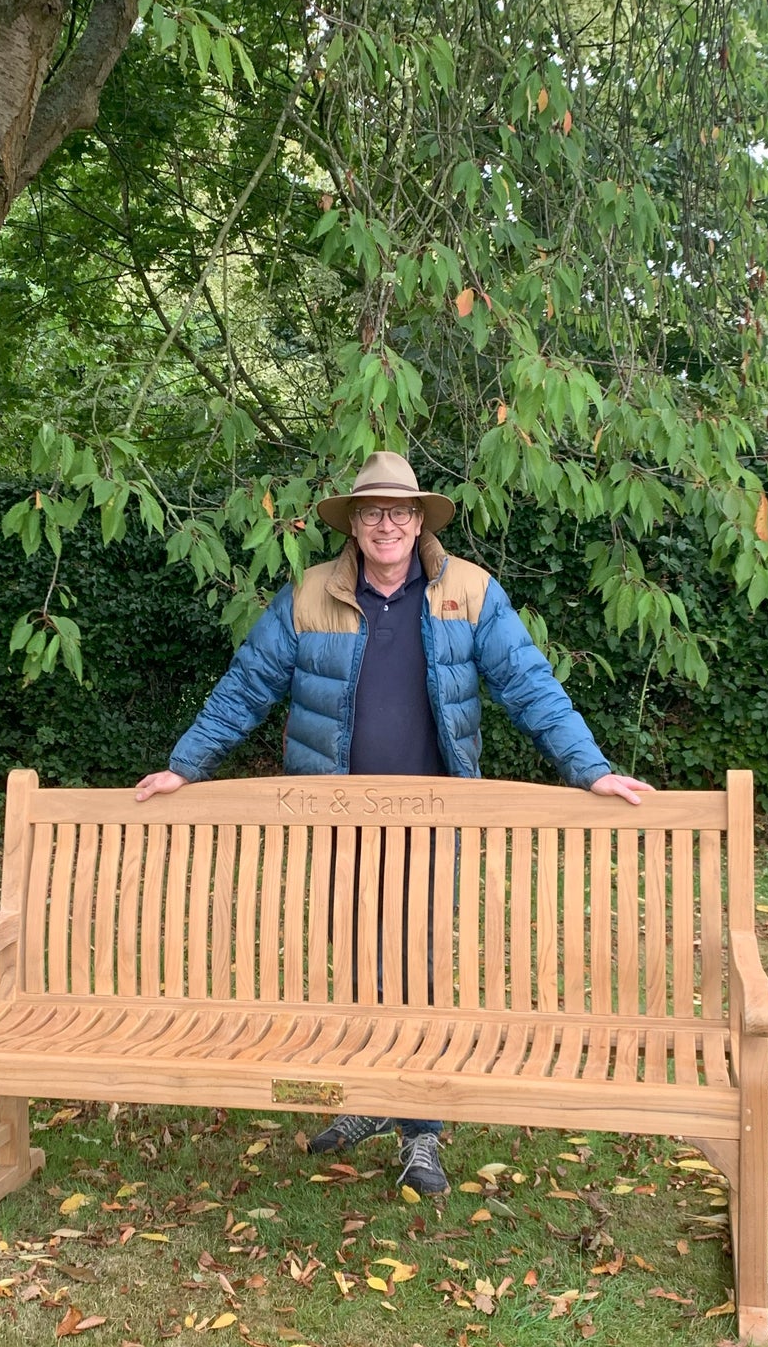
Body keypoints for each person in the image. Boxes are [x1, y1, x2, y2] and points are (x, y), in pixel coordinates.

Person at [136, 451, 651, 1193]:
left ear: (419, 521)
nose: (386, 523)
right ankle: (367, 1097)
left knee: (419, 967)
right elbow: (245, 685)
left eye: (399, 511)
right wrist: (186, 764)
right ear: (352, 523)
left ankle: (421, 1130)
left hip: (432, 815)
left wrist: (589, 767)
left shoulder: (468, 591)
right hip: (337, 819)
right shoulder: (310, 595)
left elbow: (529, 684)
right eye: (372, 511)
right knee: (352, 961)